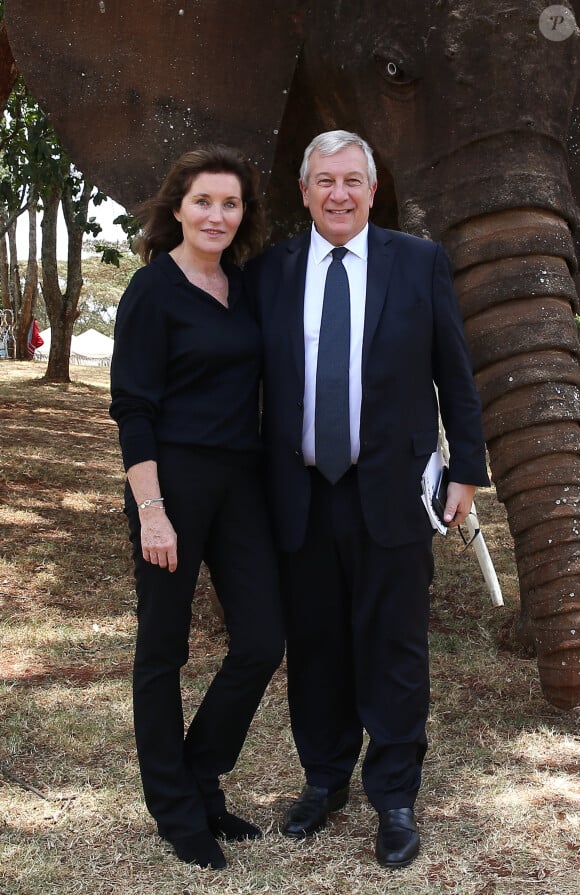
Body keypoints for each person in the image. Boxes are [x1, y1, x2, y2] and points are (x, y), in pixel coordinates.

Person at [245, 130, 489, 869]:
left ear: (374, 190)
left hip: (393, 492)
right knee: (315, 645)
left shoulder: (419, 263)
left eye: (353, 179)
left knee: (394, 648)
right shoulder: (271, 273)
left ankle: (394, 797)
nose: (340, 193)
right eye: (325, 181)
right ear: (305, 190)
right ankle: (323, 781)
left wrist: (466, 469)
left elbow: (455, 371)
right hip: (299, 494)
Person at [109, 146, 285, 871]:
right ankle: (177, 810)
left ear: (244, 215)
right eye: (204, 201)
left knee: (261, 640)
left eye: (231, 203)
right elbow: (133, 409)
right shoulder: (152, 291)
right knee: (163, 650)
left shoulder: (242, 285)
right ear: (176, 206)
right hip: (171, 481)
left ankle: (198, 773)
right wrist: (151, 509)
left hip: (240, 481)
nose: (218, 214)